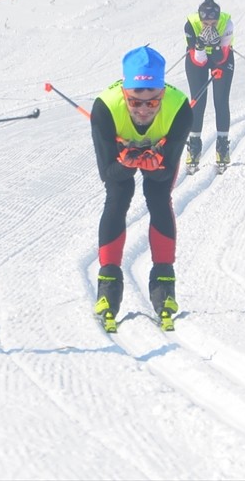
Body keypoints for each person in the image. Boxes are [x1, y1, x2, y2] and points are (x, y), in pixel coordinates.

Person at [91, 45, 193, 333]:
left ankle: (164, 286)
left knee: (158, 197)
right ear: (125, 93)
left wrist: (153, 164)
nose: (144, 110)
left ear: (163, 94)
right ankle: (108, 285)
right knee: (118, 196)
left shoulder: (179, 108)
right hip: (120, 157)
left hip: (157, 157)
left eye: (153, 102)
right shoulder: (105, 108)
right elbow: (107, 173)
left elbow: (164, 174)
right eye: (135, 102)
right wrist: (127, 163)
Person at [183, 0, 236, 171]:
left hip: (221, 56)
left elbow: (221, 58)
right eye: (205, 23)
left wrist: (215, 45)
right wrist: (200, 47)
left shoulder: (227, 24)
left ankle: (222, 147)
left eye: (213, 23)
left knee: (221, 100)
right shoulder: (191, 25)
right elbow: (198, 61)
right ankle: (194, 146)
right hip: (197, 58)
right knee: (198, 100)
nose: (209, 27)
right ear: (200, 19)